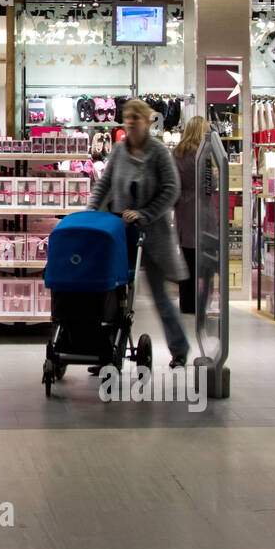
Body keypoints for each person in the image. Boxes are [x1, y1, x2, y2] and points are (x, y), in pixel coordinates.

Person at [87, 98, 192, 368]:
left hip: (152, 236)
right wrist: (90, 212)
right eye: (127, 117)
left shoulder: (158, 152)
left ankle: (179, 349)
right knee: (114, 295)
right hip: (123, 235)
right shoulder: (120, 151)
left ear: (147, 121)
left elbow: (171, 190)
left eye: (136, 117)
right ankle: (107, 352)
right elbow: (104, 185)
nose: (131, 121)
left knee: (159, 296)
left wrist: (145, 213)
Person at [172, 117, 209, 315]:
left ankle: (187, 303)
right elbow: (209, 184)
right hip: (202, 207)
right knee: (203, 259)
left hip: (183, 208)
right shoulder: (204, 154)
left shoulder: (177, 153)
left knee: (186, 257)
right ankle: (201, 302)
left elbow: (173, 182)